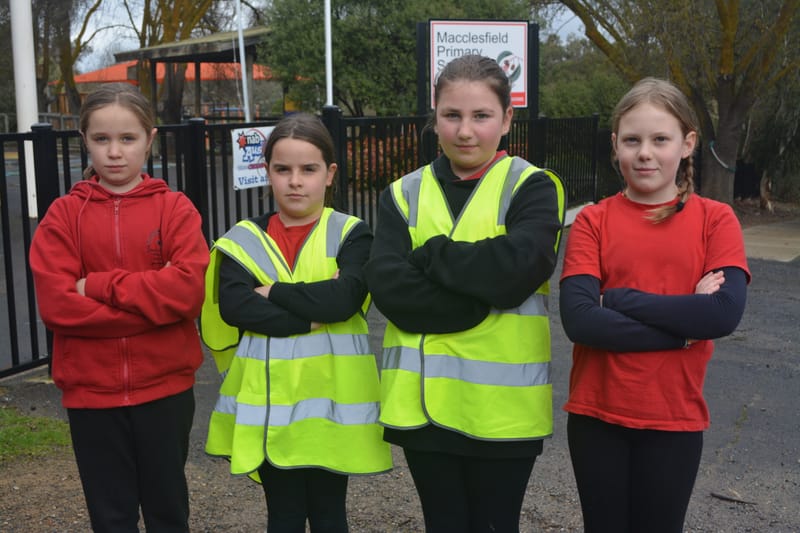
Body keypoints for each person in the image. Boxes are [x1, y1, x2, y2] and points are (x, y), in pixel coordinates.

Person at [364, 54, 566, 532]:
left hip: (503, 414)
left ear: (507, 118)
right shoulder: (402, 193)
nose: (465, 130)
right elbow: (390, 290)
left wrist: (430, 254)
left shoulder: (532, 187)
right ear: (434, 116)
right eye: (452, 115)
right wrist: (481, 298)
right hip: (422, 412)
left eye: (481, 116)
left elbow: (515, 272)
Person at [559, 77, 750, 533]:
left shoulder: (715, 219)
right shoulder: (593, 220)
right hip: (596, 417)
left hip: (674, 419)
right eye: (632, 140)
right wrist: (685, 326)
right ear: (615, 145)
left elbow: (722, 314)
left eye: (659, 139)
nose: (645, 152)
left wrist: (619, 299)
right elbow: (581, 321)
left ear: (687, 144)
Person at [28, 82, 209, 532]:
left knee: (168, 510)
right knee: (111, 517)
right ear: (85, 140)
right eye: (101, 139)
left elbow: (187, 293)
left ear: (149, 138)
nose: (114, 152)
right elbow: (59, 308)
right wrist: (152, 306)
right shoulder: (63, 216)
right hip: (92, 393)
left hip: (164, 390)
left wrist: (99, 286)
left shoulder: (176, 210)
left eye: (127, 139)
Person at [201, 113, 392, 533]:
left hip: (330, 410)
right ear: (266, 171)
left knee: (329, 516)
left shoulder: (351, 234)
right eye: (283, 169)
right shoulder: (241, 239)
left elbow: (344, 300)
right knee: (283, 517)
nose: (295, 181)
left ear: (330, 174)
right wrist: (309, 315)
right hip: (269, 409)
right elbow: (235, 308)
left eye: (309, 169)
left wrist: (273, 293)